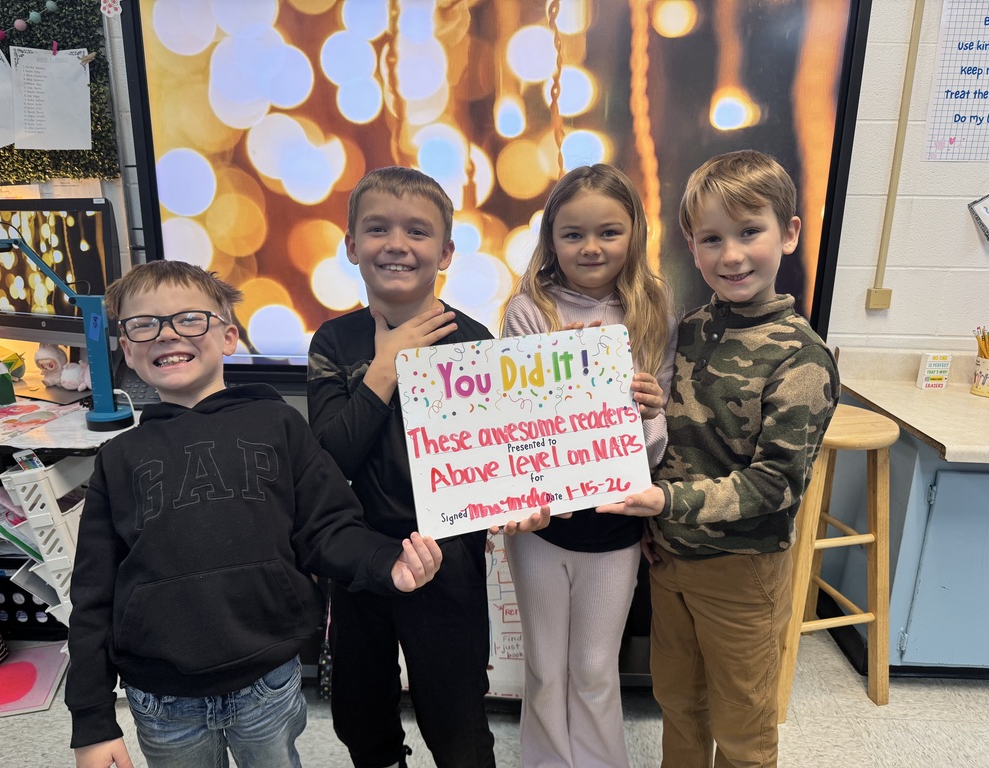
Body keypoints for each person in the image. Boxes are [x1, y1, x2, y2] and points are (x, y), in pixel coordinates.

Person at [66, 260, 444, 768]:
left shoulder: (279, 425)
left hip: (267, 682)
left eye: (189, 319)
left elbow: (328, 526)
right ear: (128, 350)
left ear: (227, 337)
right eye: (144, 324)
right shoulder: (118, 458)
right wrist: (91, 720)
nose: (167, 333)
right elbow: (92, 595)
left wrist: (384, 561)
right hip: (163, 700)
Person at [598, 149, 840, 768]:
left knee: (742, 723)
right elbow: (675, 442)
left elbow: (775, 483)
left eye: (749, 232)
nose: (731, 255)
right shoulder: (693, 328)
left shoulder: (801, 358)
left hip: (743, 569)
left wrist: (666, 503)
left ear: (788, 234)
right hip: (671, 556)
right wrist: (656, 518)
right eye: (712, 238)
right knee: (678, 703)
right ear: (691, 245)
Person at [307, 166, 548, 768]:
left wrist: (522, 495)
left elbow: (497, 456)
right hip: (357, 557)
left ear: (444, 252)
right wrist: (386, 366)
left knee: (457, 715)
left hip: (448, 559)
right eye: (377, 228)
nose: (396, 243)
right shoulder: (333, 344)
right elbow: (331, 457)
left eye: (417, 232)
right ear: (350, 245)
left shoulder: (474, 340)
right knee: (359, 712)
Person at [500, 163, 677, 768]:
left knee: (597, 668)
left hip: (616, 524)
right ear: (550, 238)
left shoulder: (654, 309)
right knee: (546, 668)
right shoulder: (529, 310)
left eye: (608, 231)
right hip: (543, 525)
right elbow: (517, 428)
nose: (590, 247)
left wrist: (647, 410)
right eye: (572, 233)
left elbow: (653, 450)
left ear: (634, 234)